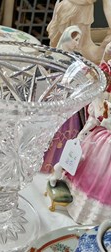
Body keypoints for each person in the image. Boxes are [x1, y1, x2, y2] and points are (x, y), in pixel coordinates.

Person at [40, 26, 84, 173]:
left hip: (69, 103)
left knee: (65, 134)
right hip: (52, 102)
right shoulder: (50, 56)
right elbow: (42, 78)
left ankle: (58, 166)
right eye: (75, 39)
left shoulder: (77, 58)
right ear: (67, 37)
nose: (77, 43)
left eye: (78, 40)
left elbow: (82, 78)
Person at [47, 0, 111, 64]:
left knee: (77, 49)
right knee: (61, 47)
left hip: (83, 13)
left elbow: (108, 6)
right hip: (69, 9)